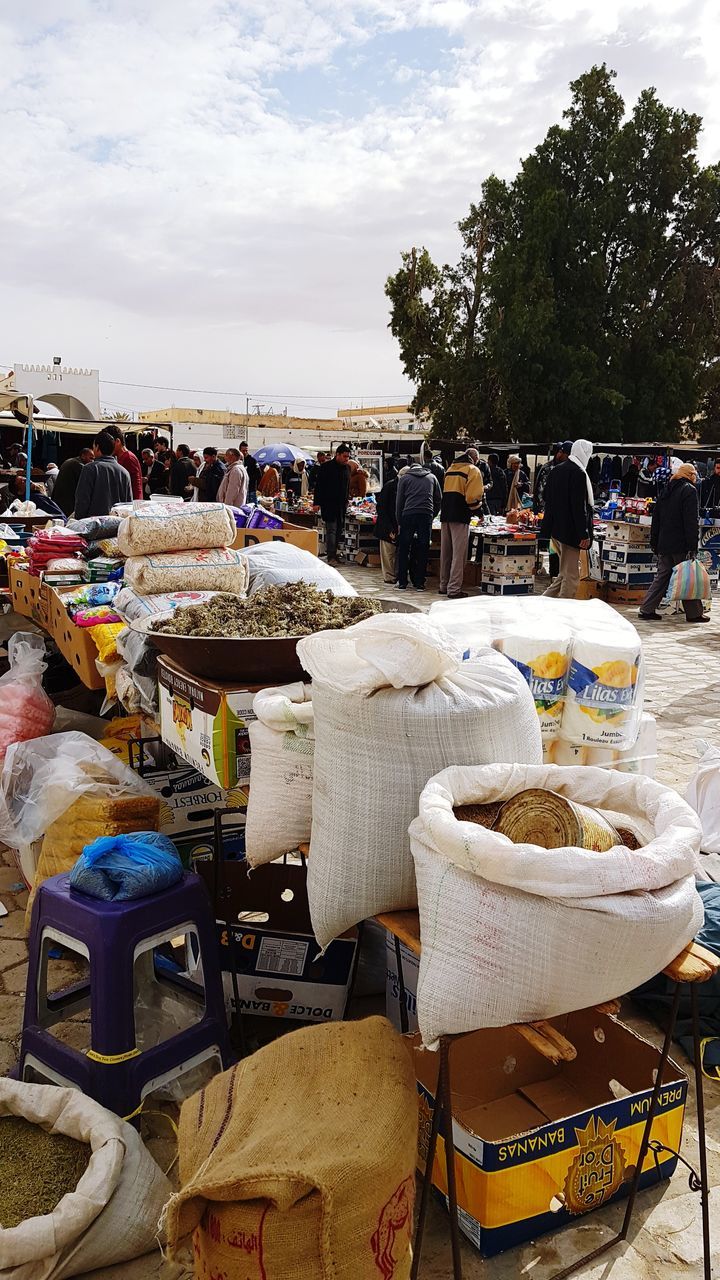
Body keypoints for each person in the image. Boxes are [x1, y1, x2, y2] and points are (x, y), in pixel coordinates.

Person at [639, 463, 708, 623]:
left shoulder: (667, 490)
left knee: (662, 577)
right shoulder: (689, 491)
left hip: (664, 542)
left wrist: (654, 541)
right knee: (688, 577)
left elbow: (656, 518)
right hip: (681, 544)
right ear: (690, 475)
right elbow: (690, 521)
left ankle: (646, 609)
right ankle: (694, 613)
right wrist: (692, 545)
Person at [541, 439, 595, 599]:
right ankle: (565, 610)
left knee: (565, 572)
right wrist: (583, 534)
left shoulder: (556, 470)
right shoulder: (578, 473)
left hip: (556, 530)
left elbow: (546, 498)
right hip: (571, 532)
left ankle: (542, 601)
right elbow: (578, 507)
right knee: (571, 576)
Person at [439, 450, 484, 599]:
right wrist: (480, 513)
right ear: (475, 459)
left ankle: (443, 586)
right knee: (459, 555)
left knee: (446, 553)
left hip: (445, 515)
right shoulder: (472, 470)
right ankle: (454, 589)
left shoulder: (450, 469)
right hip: (460, 515)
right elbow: (472, 497)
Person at [395, 459, 442, 591]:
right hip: (426, 514)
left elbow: (399, 502)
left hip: (408, 514)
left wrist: (399, 520)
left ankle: (402, 582)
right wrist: (432, 515)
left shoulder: (404, 479)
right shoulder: (432, 477)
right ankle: (420, 583)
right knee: (423, 548)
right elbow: (438, 499)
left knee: (404, 548)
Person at [74, 431, 132, 519]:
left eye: (93, 446)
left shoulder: (90, 469)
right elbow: (128, 506)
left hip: (92, 526)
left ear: (97, 447)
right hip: (117, 526)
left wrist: (78, 521)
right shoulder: (124, 472)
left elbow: (82, 500)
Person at [314, 444, 351, 564]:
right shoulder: (326, 467)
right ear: (338, 455)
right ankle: (331, 556)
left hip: (341, 505)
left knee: (339, 530)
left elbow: (347, 486)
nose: (346, 459)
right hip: (329, 504)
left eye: (348, 457)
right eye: (345, 456)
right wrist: (317, 503)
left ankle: (335, 554)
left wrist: (347, 500)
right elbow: (319, 486)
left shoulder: (347, 468)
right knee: (331, 530)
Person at [103, 425, 143, 501]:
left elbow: (136, 487)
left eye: (109, 443)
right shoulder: (122, 457)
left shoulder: (128, 458)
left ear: (117, 441)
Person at [51, 447, 94, 516]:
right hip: (67, 501)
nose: (92, 461)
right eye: (91, 458)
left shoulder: (72, 462)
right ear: (83, 456)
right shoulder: (79, 466)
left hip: (60, 499)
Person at [374, 472, 399, 584]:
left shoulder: (394, 486)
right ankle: (389, 576)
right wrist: (389, 528)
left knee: (391, 554)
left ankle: (394, 575)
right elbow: (382, 509)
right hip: (387, 526)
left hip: (395, 525)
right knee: (388, 553)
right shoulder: (390, 486)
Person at [534, 443, 570, 513]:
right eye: (559, 452)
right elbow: (542, 491)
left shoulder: (564, 468)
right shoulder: (548, 468)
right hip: (546, 509)